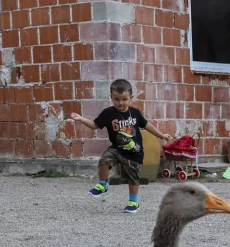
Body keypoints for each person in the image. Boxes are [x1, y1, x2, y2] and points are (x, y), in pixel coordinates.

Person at [71, 79, 172, 213]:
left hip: (134, 152)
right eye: (117, 99)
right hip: (117, 148)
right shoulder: (108, 113)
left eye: (124, 99)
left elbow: (147, 125)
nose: (120, 102)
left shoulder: (135, 113)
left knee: (133, 178)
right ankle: (102, 185)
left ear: (131, 98)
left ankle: (133, 202)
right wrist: (81, 119)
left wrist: (161, 135)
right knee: (104, 161)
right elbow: (94, 125)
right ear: (111, 98)